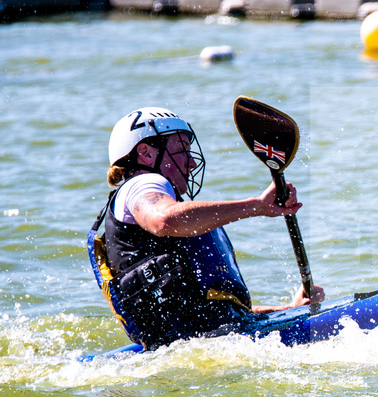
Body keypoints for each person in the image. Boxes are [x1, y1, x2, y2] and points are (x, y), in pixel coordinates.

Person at [89, 106, 324, 350]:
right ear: (146, 154)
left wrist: (290, 310)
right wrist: (257, 206)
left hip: (193, 344)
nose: (191, 163)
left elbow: (215, 313)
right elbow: (164, 219)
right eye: (182, 151)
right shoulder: (142, 184)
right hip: (200, 345)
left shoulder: (172, 214)